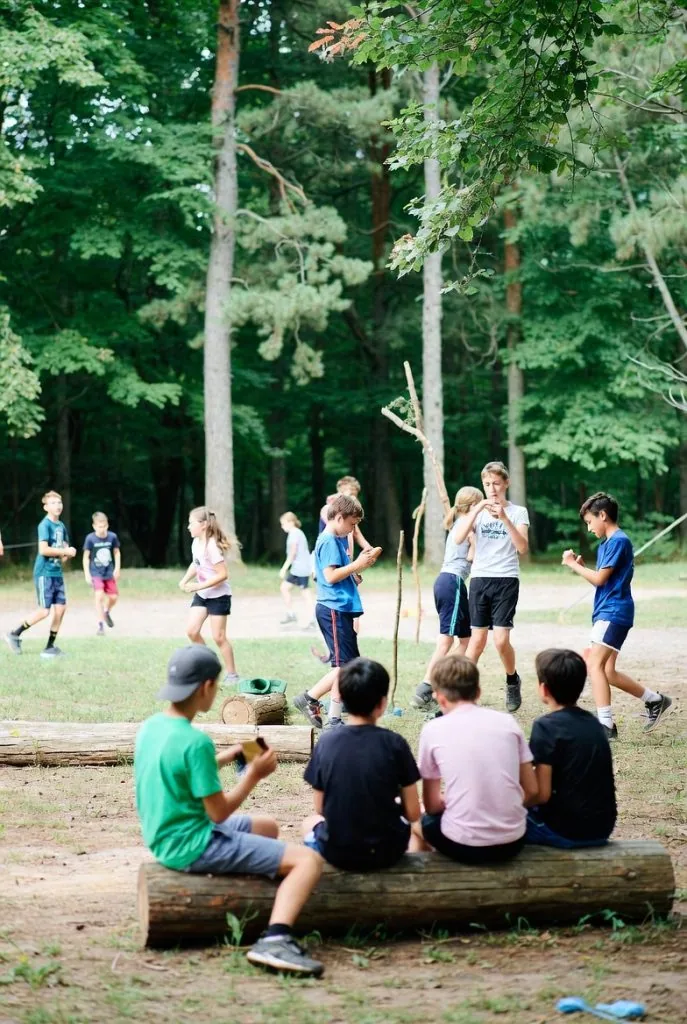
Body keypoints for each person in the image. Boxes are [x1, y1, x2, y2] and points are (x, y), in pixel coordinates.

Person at [134, 645, 324, 976]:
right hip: (193, 845)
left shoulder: (152, 727)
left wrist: (234, 754)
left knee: (267, 827)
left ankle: (252, 894)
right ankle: (275, 940)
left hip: (165, 834)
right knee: (308, 861)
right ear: (207, 686)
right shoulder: (195, 742)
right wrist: (253, 775)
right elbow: (219, 813)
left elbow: (183, 769)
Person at [562, 492, 672, 739]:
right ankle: (655, 700)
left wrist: (573, 564)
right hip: (608, 610)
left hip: (613, 612)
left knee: (594, 665)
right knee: (608, 671)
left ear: (603, 515)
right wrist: (582, 568)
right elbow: (602, 582)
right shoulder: (606, 544)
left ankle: (606, 726)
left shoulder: (618, 541)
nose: (589, 528)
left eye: (590, 522)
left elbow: (601, 579)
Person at [410, 654, 538, 863]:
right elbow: (532, 790)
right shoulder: (508, 723)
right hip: (513, 840)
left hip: (464, 843)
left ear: (439, 698)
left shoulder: (433, 730)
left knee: (416, 823)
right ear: (478, 692)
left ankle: (424, 877)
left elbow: (432, 806)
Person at [302, 657, 420, 870]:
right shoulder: (396, 744)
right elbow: (413, 813)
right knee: (416, 834)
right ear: (382, 704)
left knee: (308, 823)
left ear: (341, 699)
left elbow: (320, 807)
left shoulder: (326, 743)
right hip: (387, 851)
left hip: (338, 852)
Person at [293, 495, 380, 729]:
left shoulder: (336, 540)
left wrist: (353, 575)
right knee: (346, 666)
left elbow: (337, 573)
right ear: (339, 518)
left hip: (339, 608)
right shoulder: (330, 540)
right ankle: (309, 698)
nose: (353, 529)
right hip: (333, 609)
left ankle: (334, 717)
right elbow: (330, 576)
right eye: (352, 524)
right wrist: (357, 565)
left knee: (344, 666)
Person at [451, 461, 529, 713]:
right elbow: (458, 538)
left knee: (501, 640)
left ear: (506, 483)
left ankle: (512, 679)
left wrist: (504, 518)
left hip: (506, 579)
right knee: (477, 641)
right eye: (487, 484)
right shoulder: (478, 512)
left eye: (496, 483)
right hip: (480, 579)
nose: (492, 489)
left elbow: (522, 547)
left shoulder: (518, 512)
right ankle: (463, 693)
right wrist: (476, 510)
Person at [526, 648, 616, 848]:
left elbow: (541, 794)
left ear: (544, 689)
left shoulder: (545, 726)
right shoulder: (594, 723)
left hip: (567, 831)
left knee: (505, 819)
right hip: (602, 828)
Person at [412, 485, 484, 711]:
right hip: (451, 582)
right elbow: (471, 557)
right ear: (473, 506)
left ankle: (443, 681)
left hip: (451, 583)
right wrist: (475, 543)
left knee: (466, 641)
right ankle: (426, 687)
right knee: (446, 640)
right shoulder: (465, 526)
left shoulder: (461, 524)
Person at [4, 491, 77, 658]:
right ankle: (14, 634)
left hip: (56, 573)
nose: (57, 506)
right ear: (46, 507)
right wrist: (65, 551)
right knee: (44, 611)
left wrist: (67, 553)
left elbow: (63, 550)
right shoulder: (44, 525)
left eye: (59, 502)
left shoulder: (61, 526)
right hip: (44, 573)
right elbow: (43, 550)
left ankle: (50, 647)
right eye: (53, 503)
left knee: (61, 608)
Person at [178, 506, 238, 685]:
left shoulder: (212, 546)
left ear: (203, 525)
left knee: (219, 637)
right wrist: (185, 580)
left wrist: (198, 585)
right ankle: (208, 665)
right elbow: (196, 564)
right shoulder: (196, 543)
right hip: (202, 595)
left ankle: (232, 675)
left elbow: (223, 574)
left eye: (191, 523)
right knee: (192, 631)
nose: (188, 527)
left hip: (219, 597)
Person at [82, 511, 121, 636]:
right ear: (94, 526)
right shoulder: (90, 539)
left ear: (107, 525)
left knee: (114, 597)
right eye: (99, 526)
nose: (102, 529)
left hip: (108, 571)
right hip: (96, 572)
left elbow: (116, 552)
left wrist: (117, 568)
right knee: (99, 596)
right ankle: (100, 625)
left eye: (104, 526)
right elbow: (86, 557)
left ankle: (106, 611)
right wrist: (87, 574)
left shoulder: (112, 537)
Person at [278, 512, 315, 628]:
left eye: (283, 524)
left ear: (291, 522)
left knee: (305, 593)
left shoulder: (295, 534)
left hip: (301, 568)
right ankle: (291, 614)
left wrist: (284, 568)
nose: (282, 526)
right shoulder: (296, 533)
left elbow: (292, 553)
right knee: (285, 588)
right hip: (297, 568)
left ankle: (313, 619)